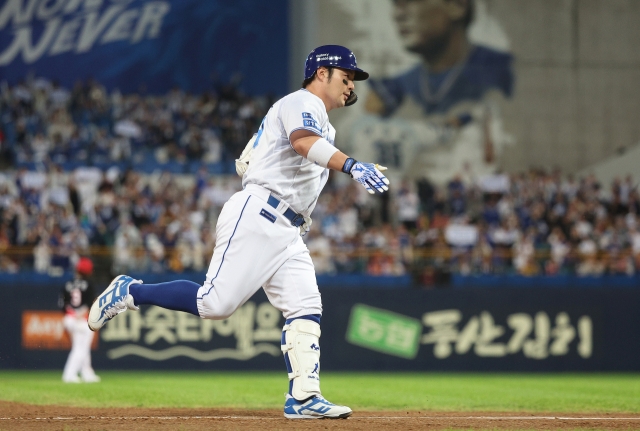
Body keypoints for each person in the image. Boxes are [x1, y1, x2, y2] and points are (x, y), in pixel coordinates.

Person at [87, 45, 390, 419]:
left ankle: (304, 397)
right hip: (260, 215)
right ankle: (130, 291)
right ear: (322, 74)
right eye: (345, 77)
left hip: (288, 229)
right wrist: (352, 165)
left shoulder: (317, 119)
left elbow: (255, 158)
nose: (350, 86)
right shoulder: (302, 102)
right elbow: (302, 142)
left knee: (306, 306)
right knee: (213, 305)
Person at [366, 0, 513, 117]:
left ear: (457, 5)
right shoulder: (397, 88)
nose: (397, 15)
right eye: (396, 3)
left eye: (411, 1)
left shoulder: (506, 73)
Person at [59, 257, 100, 383]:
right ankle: (69, 374)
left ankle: (87, 373)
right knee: (80, 348)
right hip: (81, 320)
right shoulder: (89, 284)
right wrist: (79, 314)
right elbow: (89, 304)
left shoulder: (68, 283)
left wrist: (71, 313)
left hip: (69, 318)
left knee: (82, 347)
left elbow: (62, 304)